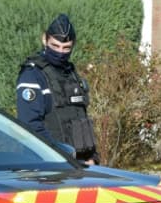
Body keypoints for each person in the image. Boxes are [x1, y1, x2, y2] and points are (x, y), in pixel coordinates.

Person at [16, 13, 99, 164]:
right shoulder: (33, 75)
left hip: (81, 165)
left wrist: (92, 156)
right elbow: (30, 126)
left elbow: (81, 118)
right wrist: (62, 156)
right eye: (55, 46)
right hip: (48, 166)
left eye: (66, 48)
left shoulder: (71, 74)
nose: (60, 52)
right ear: (44, 39)